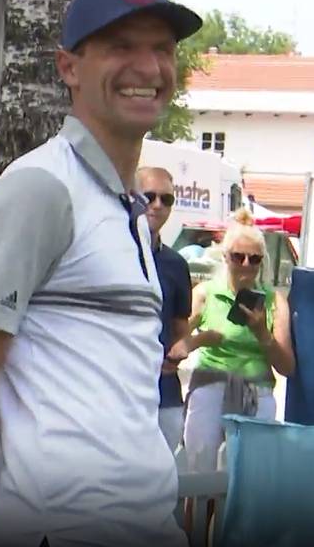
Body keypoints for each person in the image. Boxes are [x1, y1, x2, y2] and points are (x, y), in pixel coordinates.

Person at [0, 0, 202, 547]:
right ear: (68, 67)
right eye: (121, 46)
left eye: (161, 48)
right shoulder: (39, 189)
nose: (149, 68)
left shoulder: (127, 207)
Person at [183, 209, 295, 472]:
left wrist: (262, 335)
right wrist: (200, 340)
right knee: (200, 475)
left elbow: (287, 368)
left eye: (254, 259)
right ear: (225, 257)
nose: (246, 265)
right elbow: (178, 343)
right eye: (238, 257)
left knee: (248, 480)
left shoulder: (273, 301)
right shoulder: (205, 294)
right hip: (210, 390)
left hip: (257, 394)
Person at [136, 165, 193, 454]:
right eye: (149, 196)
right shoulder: (112, 253)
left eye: (166, 199)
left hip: (165, 395)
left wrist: (179, 351)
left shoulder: (176, 264)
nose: (157, 205)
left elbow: (180, 327)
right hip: (120, 396)